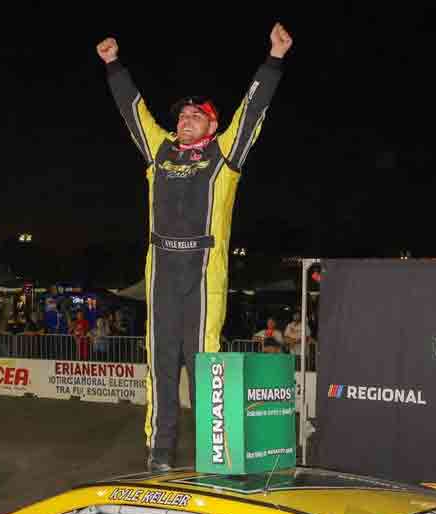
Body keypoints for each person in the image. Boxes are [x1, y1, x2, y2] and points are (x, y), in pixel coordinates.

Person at [98, 22, 293, 471]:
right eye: (181, 116)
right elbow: (134, 113)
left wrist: (274, 60)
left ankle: (213, 450)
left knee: (202, 363)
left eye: (195, 115)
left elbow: (252, 110)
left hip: (205, 268)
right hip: (161, 266)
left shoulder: (225, 154)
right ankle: (158, 452)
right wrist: (113, 66)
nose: (184, 120)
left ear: (212, 124)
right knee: (161, 364)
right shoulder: (159, 151)